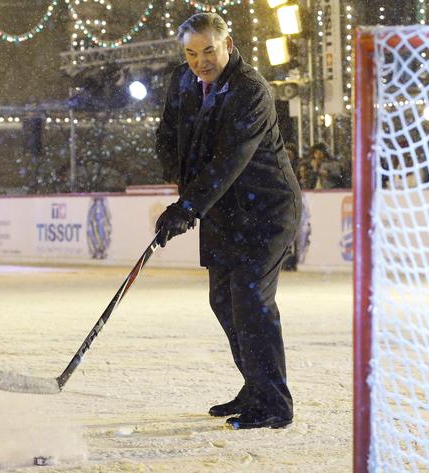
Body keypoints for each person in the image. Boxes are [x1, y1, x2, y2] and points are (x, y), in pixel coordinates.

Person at [154, 12, 301, 430]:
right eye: (191, 53)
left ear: (229, 45)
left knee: (251, 301)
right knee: (224, 301)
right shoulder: (181, 82)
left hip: (265, 210)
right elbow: (167, 133)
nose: (200, 61)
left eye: (209, 51)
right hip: (222, 210)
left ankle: (274, 403)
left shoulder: (250, 90)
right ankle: (255, 386)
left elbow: (230, 159)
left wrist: (187, 208)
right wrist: (178, 177)